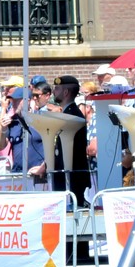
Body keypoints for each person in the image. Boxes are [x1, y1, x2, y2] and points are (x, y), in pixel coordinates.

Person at [51, 75, 91, 206]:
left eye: (57, 88)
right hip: (67, 176)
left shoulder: (71, 115)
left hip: (71, 177)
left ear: (66, 92)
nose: (54, 92)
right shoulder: (69, 113)